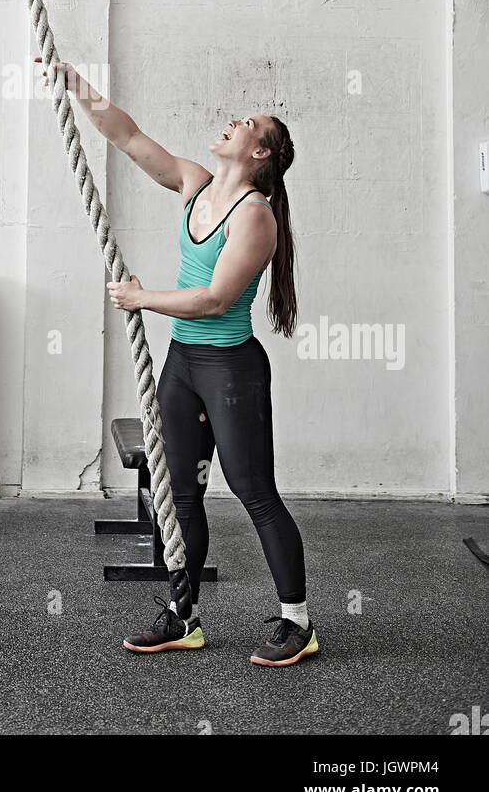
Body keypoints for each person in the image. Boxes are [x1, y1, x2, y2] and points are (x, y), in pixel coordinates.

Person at [40, 59, 317, 668]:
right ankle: (184, 615)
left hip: (229, 369)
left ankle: (298, 621)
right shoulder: (196, 183)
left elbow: (215, 298)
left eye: (245, 123)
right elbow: (129, 138)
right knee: (181, 493)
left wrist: (142, 298)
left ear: (261, 154)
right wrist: (77, 85)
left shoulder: (254, 216)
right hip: (183, 365)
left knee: (254, 492)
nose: (229, 122)